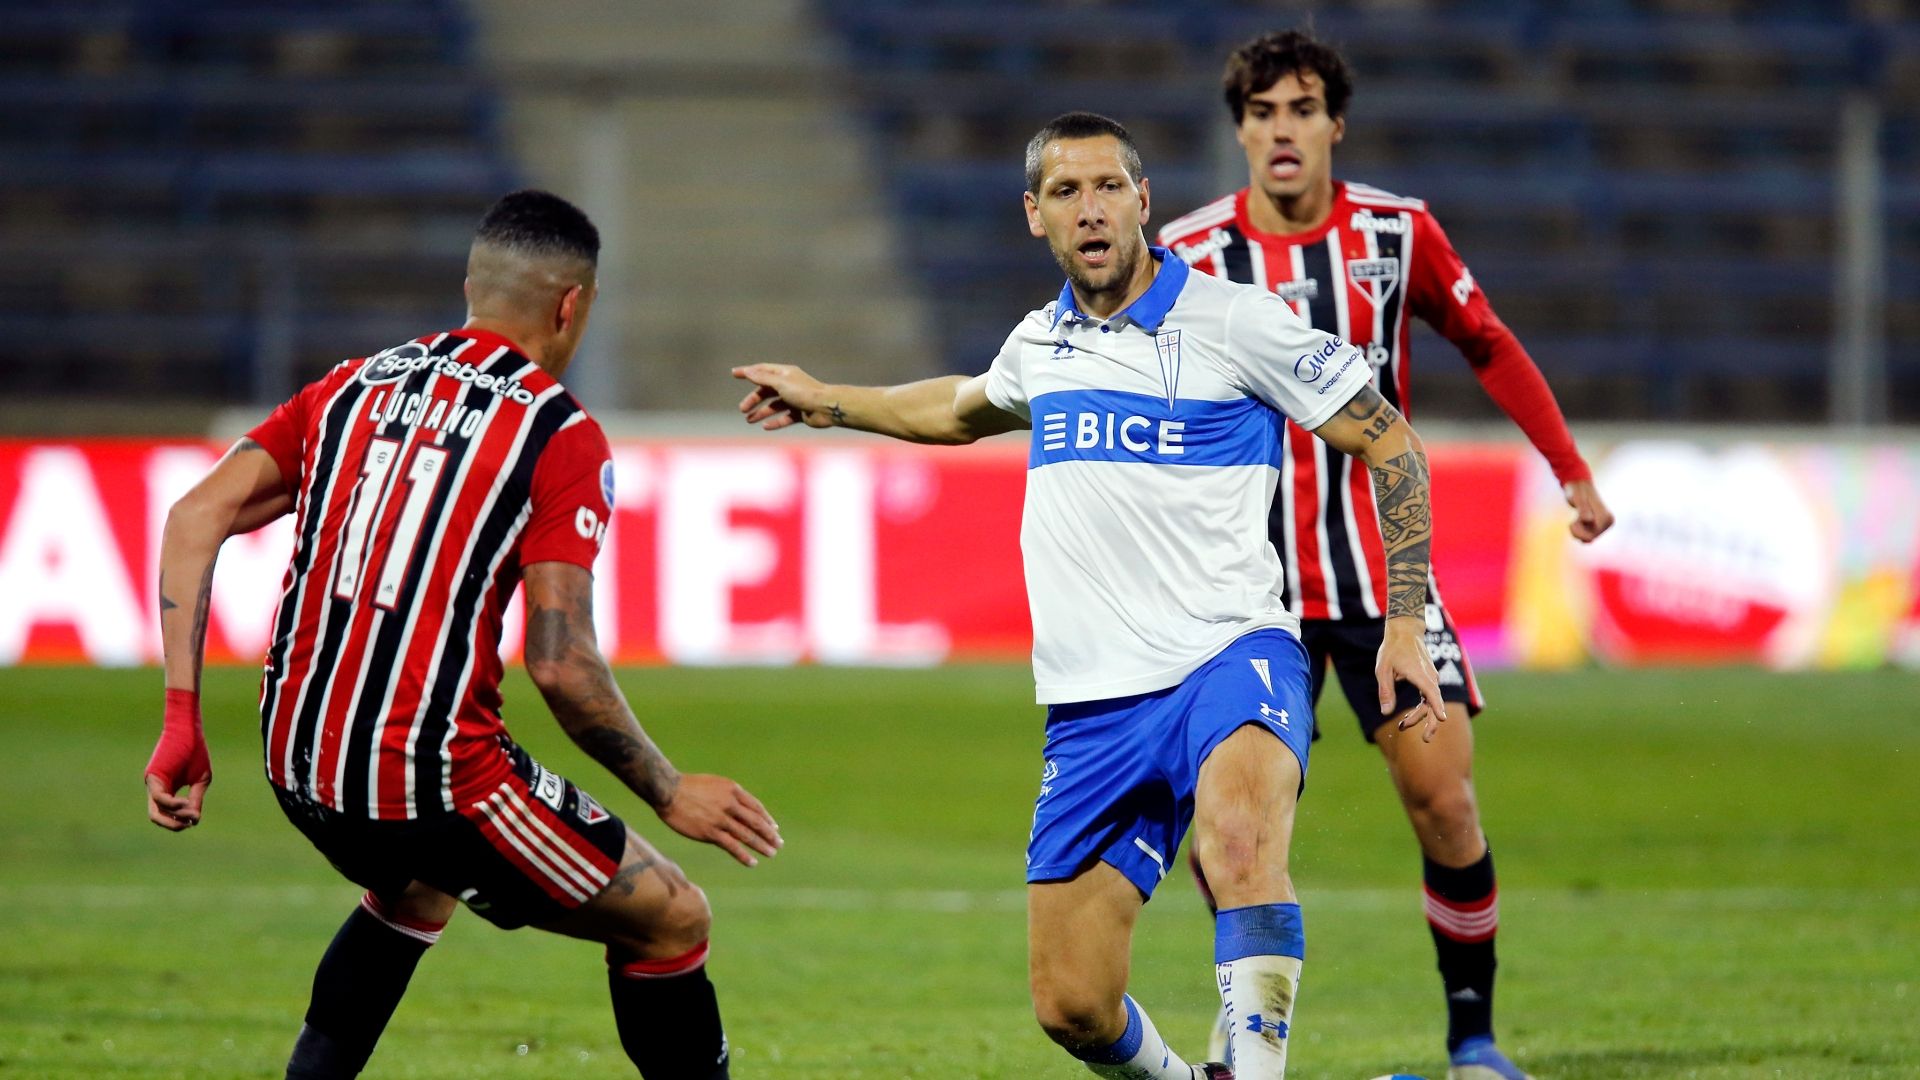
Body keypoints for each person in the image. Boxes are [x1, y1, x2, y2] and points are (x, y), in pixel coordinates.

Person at [734, 112, 1445, 1080]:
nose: (1092, 209)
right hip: (1094, 708)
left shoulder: (1235, 322)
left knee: (1239, 844)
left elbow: (1390, 440)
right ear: (1036, 216)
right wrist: (828, 402)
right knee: (1070, 1001)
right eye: (1066, 193)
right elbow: (956, 407)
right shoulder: (1041, 344)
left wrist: (1405, 622)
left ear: (1144, 201)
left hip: (1228, 655)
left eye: (1109, 186)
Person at [142, 189, 781, 1080]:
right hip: (430, 780)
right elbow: (560, 665)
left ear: (472, 285)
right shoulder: (557, 432)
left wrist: (181, 719)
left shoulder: (352, 385)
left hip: (295, 762)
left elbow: (192, 516)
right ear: (572, 306)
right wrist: (669, 790)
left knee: (413, 888)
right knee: (672, 917)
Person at [1156, 30, 1617, 1080]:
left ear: (1335, 124)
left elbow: (1488, 342)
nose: (1283, 129)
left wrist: (1570, 470)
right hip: (1246, 587)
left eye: (1303, 108)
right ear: (1239, 128)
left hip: (1383, 580)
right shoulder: (1191, 252)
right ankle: (1247, 1021)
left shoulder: (1396, 234)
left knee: (1446, 801)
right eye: (1263, 110)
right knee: (1226, 826)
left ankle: (1473, 1042)